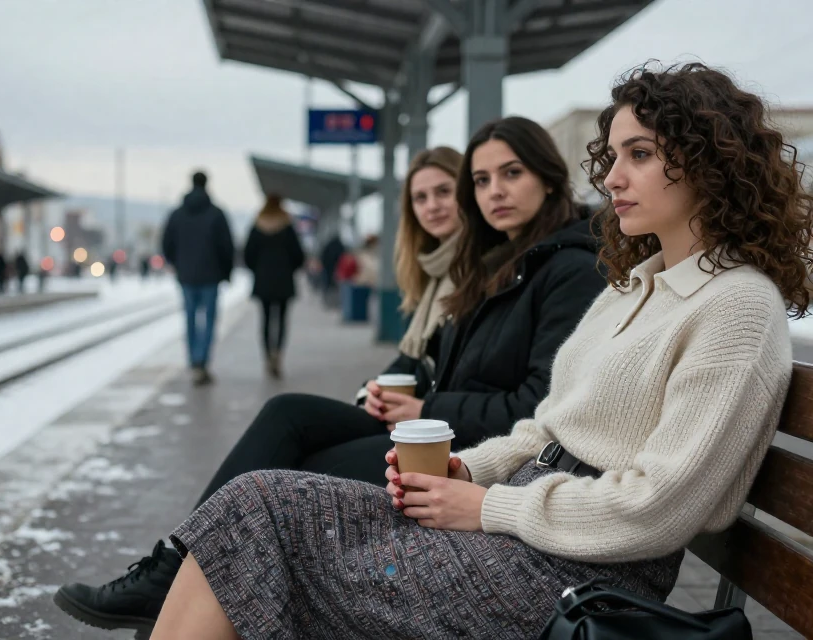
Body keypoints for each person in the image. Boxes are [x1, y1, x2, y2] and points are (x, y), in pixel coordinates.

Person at [148, 63, 813, 639]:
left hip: (577, 572)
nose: (613, 177)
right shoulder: (638, 287)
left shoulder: (735, 306)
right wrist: (466, 471)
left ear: (711, 162)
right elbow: (546, 429)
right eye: (613, 156)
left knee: (263, 524)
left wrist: (487, 508)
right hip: (527, 529)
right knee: (252, 502)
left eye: (639, 154)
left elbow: (660, 507)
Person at [54, 138, 605, 637]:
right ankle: (175, 571)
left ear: (549, 178)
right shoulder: (499, 263)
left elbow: (534, 401)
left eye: (509, 175)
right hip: (439, 425)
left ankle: (177, 576)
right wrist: (388, 390)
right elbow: (440, 359)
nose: (490, 193)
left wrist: (423, 403)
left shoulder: (550, 268)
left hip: (463, 447)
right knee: (286, 419)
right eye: (480, 181)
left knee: (277, 481)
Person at [161, 171, 235, 385]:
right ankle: (203, 361)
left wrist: (177, 264)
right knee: (209, 320)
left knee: (190, 319)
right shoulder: (217, 214)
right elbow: (226, 247)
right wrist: (226, 272)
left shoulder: (177, 214)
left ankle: (193, 359)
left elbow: (167, 243)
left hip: (186, 275)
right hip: (211, 275)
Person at [243, 194, 305, 378]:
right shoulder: (287, 227)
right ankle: (278, 353)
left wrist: (258, 269)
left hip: (263, 280)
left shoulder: (257, 225)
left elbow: (248, 254)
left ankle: (267, 355)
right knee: (282, 320)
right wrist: (289, 268)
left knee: (266, 319)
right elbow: (299, 255)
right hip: (284, 280)